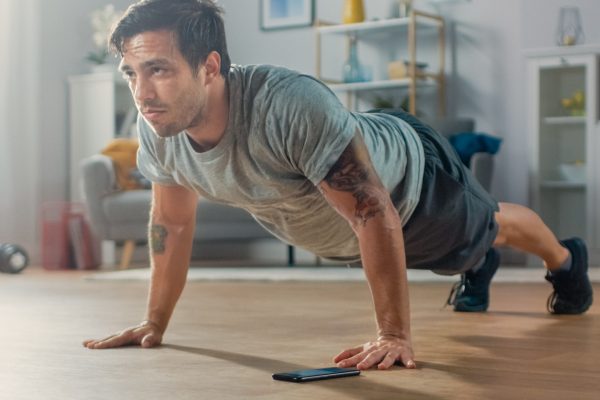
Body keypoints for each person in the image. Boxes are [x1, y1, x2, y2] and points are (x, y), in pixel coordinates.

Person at [83, 0, 593, 371]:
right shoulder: (159, 129)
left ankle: (566, 262)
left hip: (412, 185)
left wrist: (393, 335)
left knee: (490, 227)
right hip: (356, 229)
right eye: (131, 73)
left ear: (210, 66)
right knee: (466, 253)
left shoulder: (287, 105)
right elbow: (171, 222)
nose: (142, 93)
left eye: (158, 70)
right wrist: (154, 322)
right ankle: (477, 263)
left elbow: (372, 211)